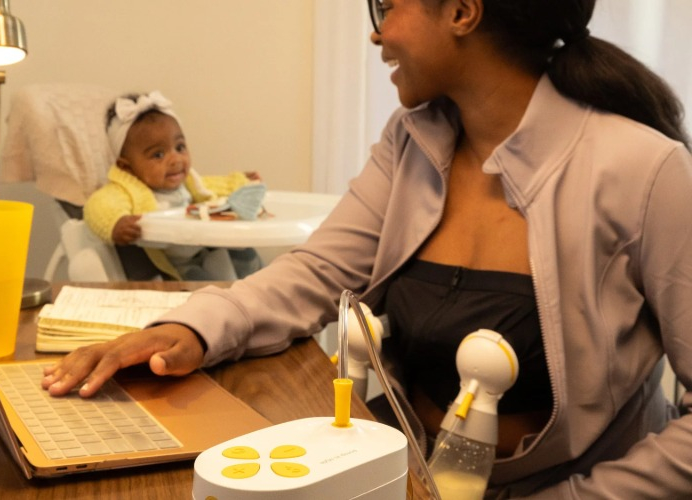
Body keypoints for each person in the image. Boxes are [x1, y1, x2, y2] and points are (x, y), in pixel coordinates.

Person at [44, 1, 692, 497]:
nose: (376, 33)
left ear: (463, 11)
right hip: (408, 478)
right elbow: (316, 274)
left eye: (387, 5)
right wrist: (184, 329)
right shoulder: (412, 140)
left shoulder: (644, 171)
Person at [84, 90, 263, 281]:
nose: (175, 159)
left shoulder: (189, 183)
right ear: (126, 167)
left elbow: (215, 187)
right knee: (201, 284)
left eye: (179, 147)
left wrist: (241, 182)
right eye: (158, 155)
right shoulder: (126, 191)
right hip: (173, 266)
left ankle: (261, 288)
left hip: (203, 248)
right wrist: (114, 223)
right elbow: (97, 205)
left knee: (244, 252)